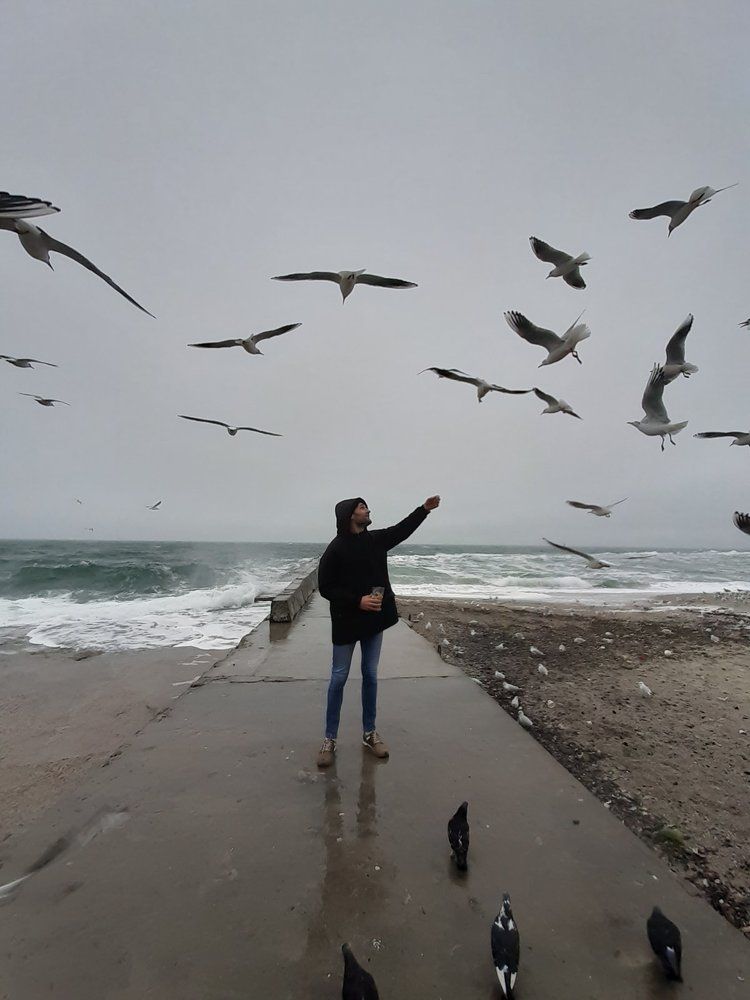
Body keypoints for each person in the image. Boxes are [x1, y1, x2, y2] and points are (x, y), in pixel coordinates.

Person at [316, 495, 441, 767]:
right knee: (338, 677)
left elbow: (402, 529)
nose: (367, 510)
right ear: (350, 515)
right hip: (347, 621)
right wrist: (357, 600)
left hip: (374, 619)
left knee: (370, 675)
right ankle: (329, 739)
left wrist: (424, 510)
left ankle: (369, 733)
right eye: (362, 508)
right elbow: (325, 586)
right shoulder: (336, 549)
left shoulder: (376, 540)